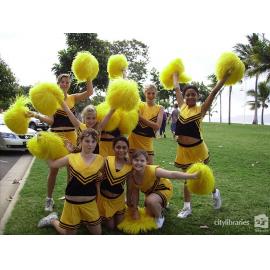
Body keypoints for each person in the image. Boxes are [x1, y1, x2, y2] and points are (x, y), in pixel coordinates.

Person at [28, 74, 93, 211]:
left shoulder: (73, 97)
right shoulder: (52, 100)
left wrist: (87, 74)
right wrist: (36, 115)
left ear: (69, 84)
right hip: (56, 137)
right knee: (53, 170)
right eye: (62, 82)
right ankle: (49, 199)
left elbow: (89, 92)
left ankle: (69, 195)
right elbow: (51, 121)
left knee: (72, 170)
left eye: (67, 82)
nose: (64, 84)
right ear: (57, 83)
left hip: (72, 136)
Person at [173, 70, 231, 218]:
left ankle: (215, 192)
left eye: (193, 94)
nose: (190, 96)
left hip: (198, 150)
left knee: (203, 177)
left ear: (197, 96)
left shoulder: (201, 109)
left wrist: (224, 78)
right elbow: (177, 88)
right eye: (188, 94)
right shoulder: (182, 107)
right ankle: (187, 208)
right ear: (184, 97)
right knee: (187, 179)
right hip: (183, 150)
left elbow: (213, 92)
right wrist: (175, 74)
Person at [37, 128, 104, 235]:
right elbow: (53, 164)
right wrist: (44, 148)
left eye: (93, 141)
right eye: (87, 141)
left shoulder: (100, 159)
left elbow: (99, 179)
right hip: (72, 203)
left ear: (97, 143)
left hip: (90, 204)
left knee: (97, 234)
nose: (90, 144)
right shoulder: (71, 157)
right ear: (80, 141)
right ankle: (53, 220)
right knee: (69, 234)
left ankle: (83, 219)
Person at [127, 149, 199, 229]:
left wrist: (191, 176)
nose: (139, 163)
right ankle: (161, 205)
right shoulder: (131, 175)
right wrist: (135, 209)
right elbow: (135, 194)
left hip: (163, 188)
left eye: (142, 161)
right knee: (150, 213)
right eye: (136, 160)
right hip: (151, 193)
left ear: (146, 162)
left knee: (151, 201)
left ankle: (160, 217)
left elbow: (172, 174)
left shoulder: (152, 170)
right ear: (132, 160)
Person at [97, 136, 132, 229]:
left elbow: (129, 187)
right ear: (113, 148)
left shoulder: (130, 166)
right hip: (104, 200)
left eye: (124, 147)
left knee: (119, 225)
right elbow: (97, 176)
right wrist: (97, 197)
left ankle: (118, 211)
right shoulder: (107, 160)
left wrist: (129, 202)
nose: (121, 150)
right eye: (118, 147)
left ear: (128, 149)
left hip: (118, 200)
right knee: (111, 227)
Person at [128, 84, 164, 164]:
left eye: (153, 93)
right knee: (131, 167)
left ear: (156, 94)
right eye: (148, 93)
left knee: (149, 168)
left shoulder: (160, 108)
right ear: (145, 93)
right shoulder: (139, 105)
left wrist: (140, 118)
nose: (151, 95)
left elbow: (157, 126)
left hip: (147, 142)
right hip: (133, 140)